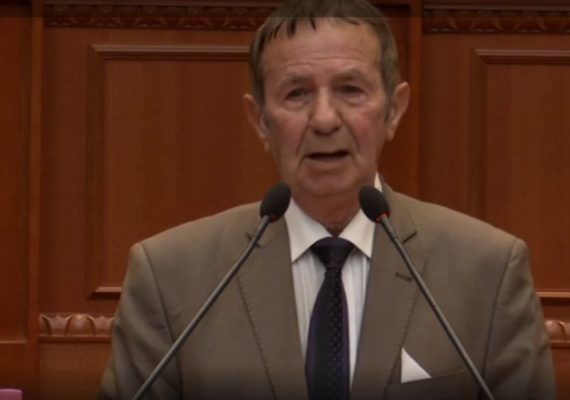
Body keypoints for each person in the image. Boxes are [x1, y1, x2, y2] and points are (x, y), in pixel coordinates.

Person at [98, 0, 555, 399]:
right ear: (259, 120)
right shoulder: (171, 276)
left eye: (350, 90)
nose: (323, 119)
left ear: (394, 110)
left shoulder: (487, 271)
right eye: (296, 94)